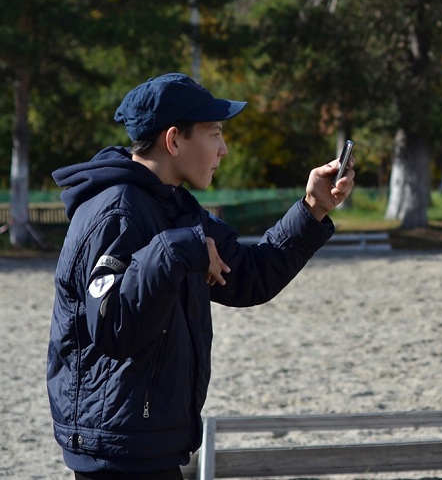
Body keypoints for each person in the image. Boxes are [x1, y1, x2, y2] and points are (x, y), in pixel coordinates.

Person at [46, 73, 355, 480]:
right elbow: (113, 328)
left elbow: (249, 276)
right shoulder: (116, 212)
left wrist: (312, 209)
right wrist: (178, 250)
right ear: (173, 141)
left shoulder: (176, 207)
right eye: (214, 134)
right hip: (116, 448)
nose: (224, 149)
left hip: (152, 440)